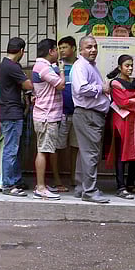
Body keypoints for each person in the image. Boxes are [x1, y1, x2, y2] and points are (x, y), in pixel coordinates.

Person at [71, 36, 112, 204]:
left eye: (95, 46)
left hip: (89, 114)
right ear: (81, 50)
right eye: (89, 47)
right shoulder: (81, 65)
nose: (93, 50)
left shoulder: (89, 66)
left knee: (85, 153)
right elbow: (81, 88)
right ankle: (89, 191)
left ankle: (82, 187)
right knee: (91, 154)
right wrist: (101, 88)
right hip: (88, 114)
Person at [0, 38, 32, 197]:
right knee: (11, 150)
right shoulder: (11, 66)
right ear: (22, 51)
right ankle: (8, 185)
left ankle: (15, 180)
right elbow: (28, 85)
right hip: (11, 113)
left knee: (14, 150)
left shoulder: (6, 64)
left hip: (9, 112)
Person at [107, 55, 135, 199]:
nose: (129, 68)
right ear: (120, 67)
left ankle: (130, 183)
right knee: (121, 153)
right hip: (121, 121)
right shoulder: (115, 83)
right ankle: (121, 186)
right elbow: (122, 102)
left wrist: (131, 97)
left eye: (131, 65)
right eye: (126, 66)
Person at [30, 38, 65, 200]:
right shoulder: (43, 67)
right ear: (51, 51)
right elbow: (60, 85)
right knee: (43, 151)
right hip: (46, 115)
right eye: (57, 49)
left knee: (45, 149)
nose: (59, 52)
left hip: (46, 114)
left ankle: (42, 184)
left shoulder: (45, 67)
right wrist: (63, 70)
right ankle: (40, 187)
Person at [54, 36, 79, 190]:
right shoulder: (56, 67)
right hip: (60, 113)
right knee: (57, 147)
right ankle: (57, 180)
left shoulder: (81, 65)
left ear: (74, 48)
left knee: (75, 147)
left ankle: (74, 177)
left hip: (78, 113)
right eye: (60, 48)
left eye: (65, 47)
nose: (62, 50)